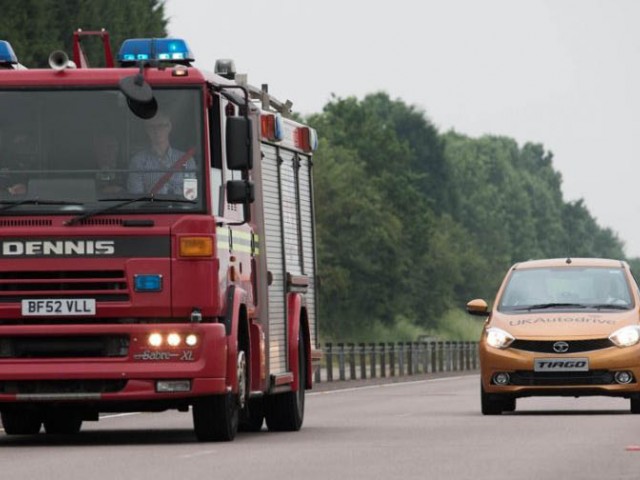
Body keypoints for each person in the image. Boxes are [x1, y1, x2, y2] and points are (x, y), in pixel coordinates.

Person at [126, 112, 196, 197]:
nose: (157, 130)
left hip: (181, 209)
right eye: (152, 127)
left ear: (169, 127)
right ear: (146, 130)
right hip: (152, 209)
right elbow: (136, 198)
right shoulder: (138, 161)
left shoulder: (187, 160)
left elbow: (191, 195)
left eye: (161, 126)